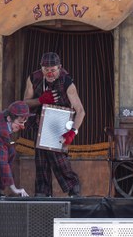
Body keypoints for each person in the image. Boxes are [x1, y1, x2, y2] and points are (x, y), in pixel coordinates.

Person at [23, 52, 85, 197]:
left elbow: (81, 111)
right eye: (46, 70)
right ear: (41, 68)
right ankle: (42, 193)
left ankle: (73, 187)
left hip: (59, 126)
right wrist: (40, 100)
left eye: (53, 70)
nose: (50, 73)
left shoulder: (67, 81)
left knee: (58, 158)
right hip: (40, 124)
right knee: (41, 161)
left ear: (60, 68)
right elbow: (25, 103)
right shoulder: (34, 78)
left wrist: (72, 132)